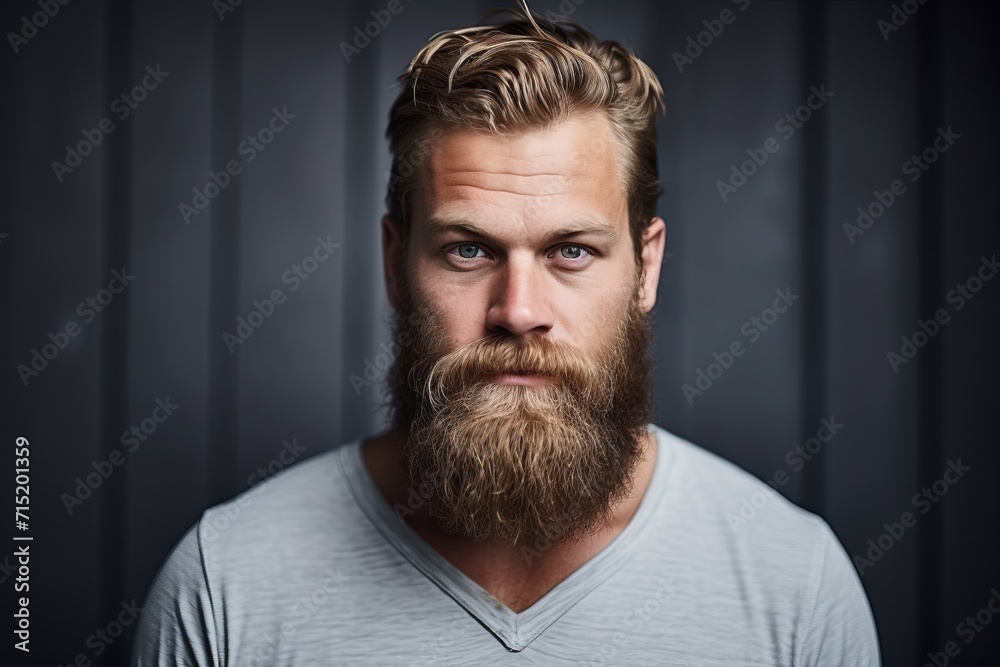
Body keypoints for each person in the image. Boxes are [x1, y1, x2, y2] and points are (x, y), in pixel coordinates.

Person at [132, 2, 881, 664]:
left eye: (572, 251)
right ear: (397, 263)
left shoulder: (794, 583)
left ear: (645, 266)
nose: (518, 310)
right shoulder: (225, 582)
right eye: (468, 249)